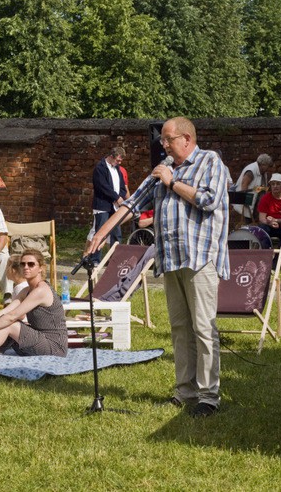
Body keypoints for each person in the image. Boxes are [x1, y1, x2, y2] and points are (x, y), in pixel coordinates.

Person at [88, 117, 229, 418]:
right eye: (162, 140)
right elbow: (133, 203)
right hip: (171, 258)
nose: (163, 144)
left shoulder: (210, 161)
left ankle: (208, 396)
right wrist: (101, 233)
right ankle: (185, 391)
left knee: (203, 328)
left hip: (200, 258)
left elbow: (209, 200)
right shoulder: (164, 166)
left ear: (187, 139)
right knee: (179, 328)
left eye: (168, 139)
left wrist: (172, 182)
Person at [89, 147, 127, 264]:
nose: (119, 163)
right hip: (103, 205)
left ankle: (116, 260)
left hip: (115, 206)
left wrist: (120, 196)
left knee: (116, 234)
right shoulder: (100, 168)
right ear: (111, 156)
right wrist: (116, 197)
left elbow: (122, 187)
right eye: (118, 160)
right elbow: (103, 186)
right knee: (100, 232)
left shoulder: (118, 169)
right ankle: (95, 260)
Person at [256, 173, 281, 251]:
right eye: (273, 184)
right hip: (269, 226)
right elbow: (261, 218)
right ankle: (266, 254)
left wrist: (276, 220)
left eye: (278, 184)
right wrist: (270, 223)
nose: (275, 186)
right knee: (262, 229)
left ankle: (279, 257)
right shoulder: (265, 198)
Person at [232, 154, 272, 219]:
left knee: (251, 218)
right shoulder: (251, 170)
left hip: (255, 199)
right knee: (245, 218)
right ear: (263, 164)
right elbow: (244, 184)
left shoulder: (263, 172)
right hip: (246, 199)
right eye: (267, 165)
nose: (268, 168)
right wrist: (245, 200)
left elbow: (257, 185)